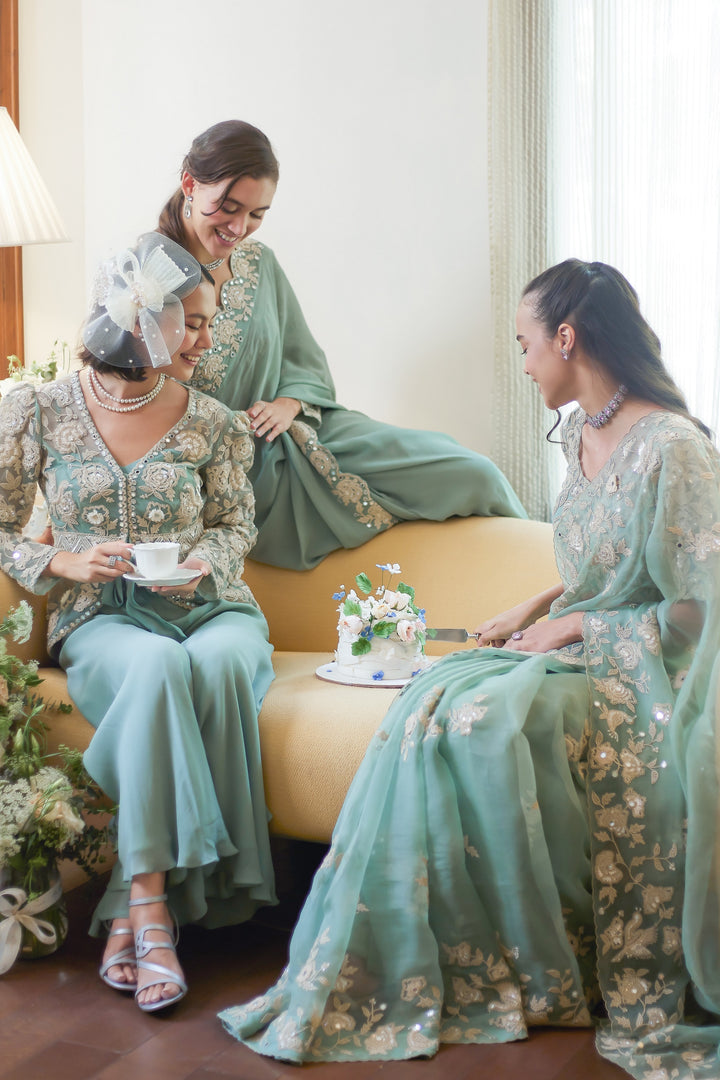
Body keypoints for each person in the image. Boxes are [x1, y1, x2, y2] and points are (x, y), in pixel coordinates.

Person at [218, 260, 720, 1079]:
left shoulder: (675, 448)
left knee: (486, 719)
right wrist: (533, 607)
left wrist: (570, 626)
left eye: (525, 344)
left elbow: (697, 611)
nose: (523, 364)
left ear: (567, 338)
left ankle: (538, 961)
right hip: (579, 647)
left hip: (654, 673)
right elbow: (601, 563)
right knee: (431, 705)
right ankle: (460, 960)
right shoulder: (580, 433)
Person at [0, 233, 276, 1012]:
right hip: (102, 619)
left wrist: (201, 564)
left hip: (213, 609)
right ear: (140, 321)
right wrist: (62, 562)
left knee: (217, 662)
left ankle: (133, 904)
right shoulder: (37, 411)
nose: (206, 340)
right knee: (157, 667)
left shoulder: (214, 422)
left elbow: (236, 527)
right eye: (194, 323)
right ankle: (152, 903)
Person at [156, 120, 527, 571]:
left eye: (257, 214)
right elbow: (130, 393)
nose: (240, 227)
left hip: (308, 427)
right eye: (229, 208)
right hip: (232, 468)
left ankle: (545, 595)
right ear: (190, 185)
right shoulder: (147, 276)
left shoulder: (258, 262)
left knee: (474, 473)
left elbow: (302, 359)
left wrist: (290, 403)